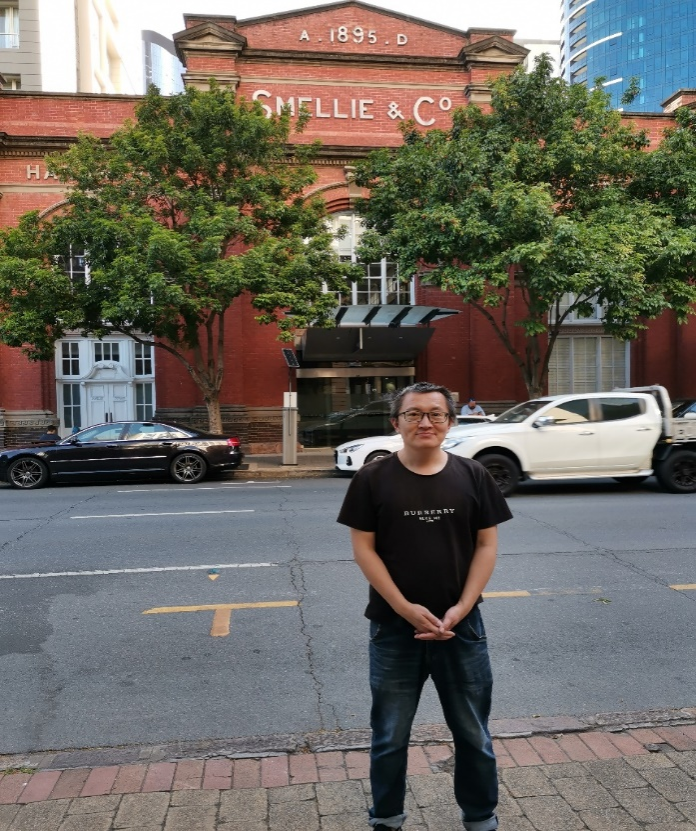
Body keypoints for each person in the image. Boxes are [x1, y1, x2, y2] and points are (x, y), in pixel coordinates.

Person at [337, 381, 512, 831]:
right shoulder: (372, 478)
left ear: (450, 422)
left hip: (462, 628)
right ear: (396, 423)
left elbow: (487, 546)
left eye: (435, 413)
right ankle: (387, 817)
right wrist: (403, 607)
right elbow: (364, 550)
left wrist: (463, 606)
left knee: (473, 732)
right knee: (390, 735)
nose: (425, 422)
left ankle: (480, 818)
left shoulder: (473, 475)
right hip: (393, 628)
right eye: (413, 414)